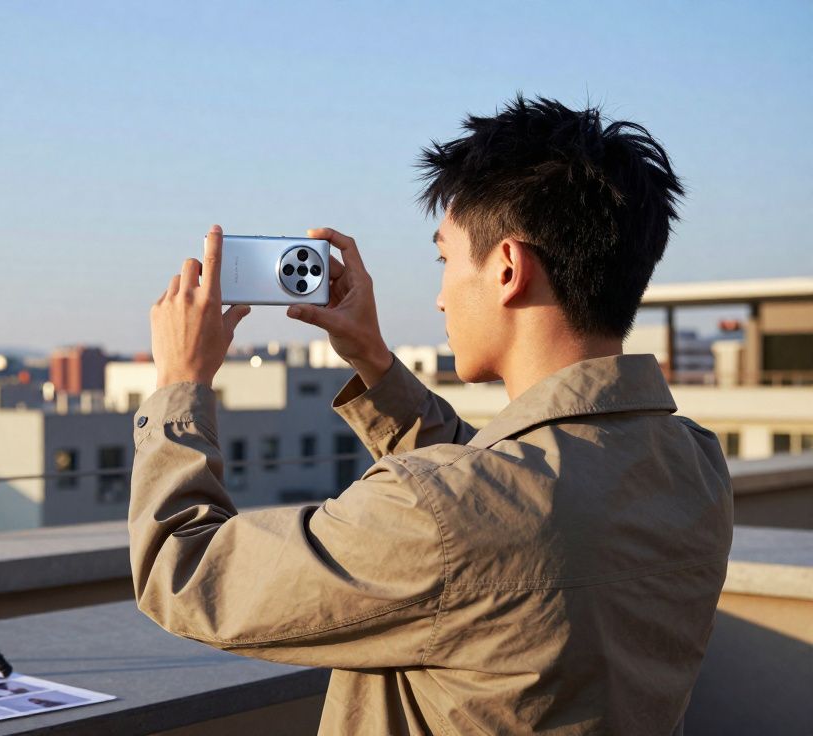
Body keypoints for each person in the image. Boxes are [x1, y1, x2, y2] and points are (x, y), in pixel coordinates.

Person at [130, 95, 733, 734]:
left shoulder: (443, 511)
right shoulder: (694, 465)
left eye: (445, 260)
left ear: (508, 269)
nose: (440, 297)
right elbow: (508, 491)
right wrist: (373, 362)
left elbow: (186, 572)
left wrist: (179, 385)